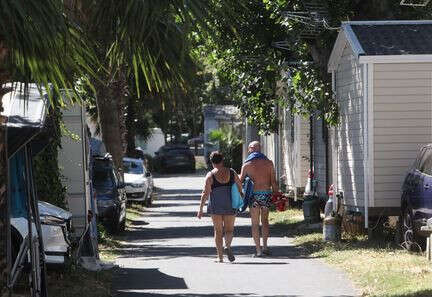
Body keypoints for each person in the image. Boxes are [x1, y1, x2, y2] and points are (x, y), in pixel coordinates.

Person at [197, 151, 243, 263]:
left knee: (218, 232)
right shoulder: (232, 172)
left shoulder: (210, 175)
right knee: (229, 230)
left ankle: (220, 257)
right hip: (230, 205)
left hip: (215, 206)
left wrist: (200, 209)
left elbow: (205, 193)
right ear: (222, 160)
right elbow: (240, 187)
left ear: (211, 162)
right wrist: (240, 196)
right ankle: (227, 246)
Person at [240, 141, 279, 257]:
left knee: (255, 223)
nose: (248, 151)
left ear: (252, 149)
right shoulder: (269, 163)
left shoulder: (246, 165)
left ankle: (258, 251)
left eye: (249, 149)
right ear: (260, 149)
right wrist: (277, 195)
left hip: (254, 196)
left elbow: (240, 181)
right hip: (266, 194)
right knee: (265, 221)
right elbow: (273, 182)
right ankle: (265, 247)